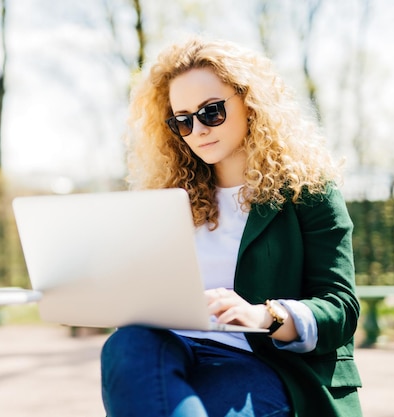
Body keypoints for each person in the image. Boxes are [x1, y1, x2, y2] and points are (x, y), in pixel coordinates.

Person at [100, 35, 362, 417]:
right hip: (168, 347)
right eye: (183, 121)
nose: (199, 131)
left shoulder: (309, 192)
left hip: (260, 361)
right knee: (125, 345)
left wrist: (265, 316)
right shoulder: (168, 198)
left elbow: (340, 308)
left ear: (250, 102)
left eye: (211, 112)